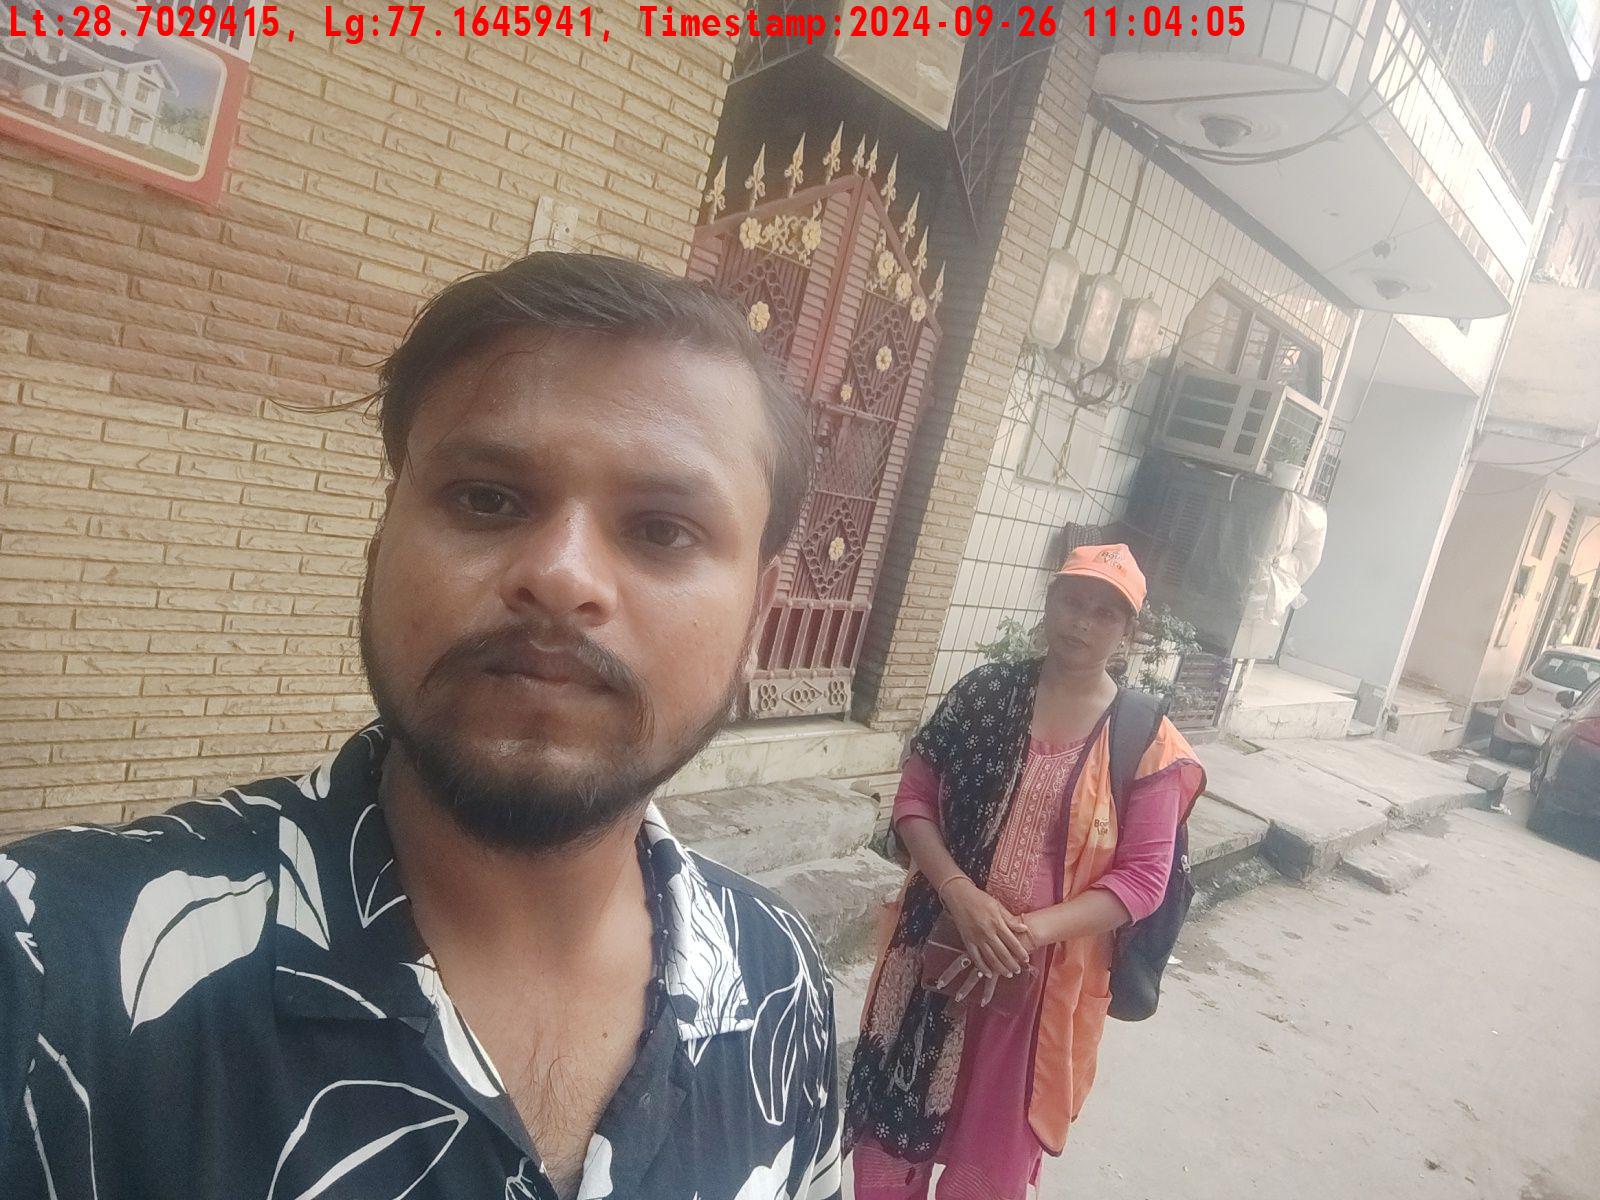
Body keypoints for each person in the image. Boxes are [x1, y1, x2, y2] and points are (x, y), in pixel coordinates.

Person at [0, 253, 842, 1200]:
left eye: (662, 530)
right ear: (381, 543)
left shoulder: (782, 979)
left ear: (759, 614)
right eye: (487, 499)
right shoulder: (41, 970)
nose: (562, 575)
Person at [844, 544, 1206, 1199]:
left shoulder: (1146, 741)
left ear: (1128, 631)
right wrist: (961, 896)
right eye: (1073, 601)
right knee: (888, 1153)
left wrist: (1023, 934)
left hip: (1038, 987)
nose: (1082, 622)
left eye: (1105, 613)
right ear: (1049, 601)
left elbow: (1143, 880)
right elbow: (914, 800)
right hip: (933, 952)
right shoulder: (985, 694)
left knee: (988, 1164)